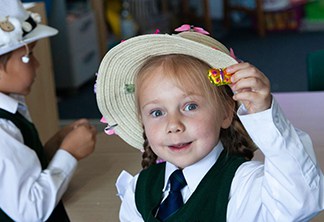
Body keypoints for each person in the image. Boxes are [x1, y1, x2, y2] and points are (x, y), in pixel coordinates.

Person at [95, 25, 324, 221]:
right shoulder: (138, 190)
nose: (173, 124)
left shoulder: (242, 185)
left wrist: (262, 114)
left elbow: (300, 200)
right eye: (157, 112)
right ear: (142, 122)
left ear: (225, 112)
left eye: (190, 106)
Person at [0, 1, 96, 221]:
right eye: (29, 56)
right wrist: (69, 153)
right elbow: (31, 211)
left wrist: (57, 145)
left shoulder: (10, 106)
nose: (37, 65)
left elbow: (20, 171)